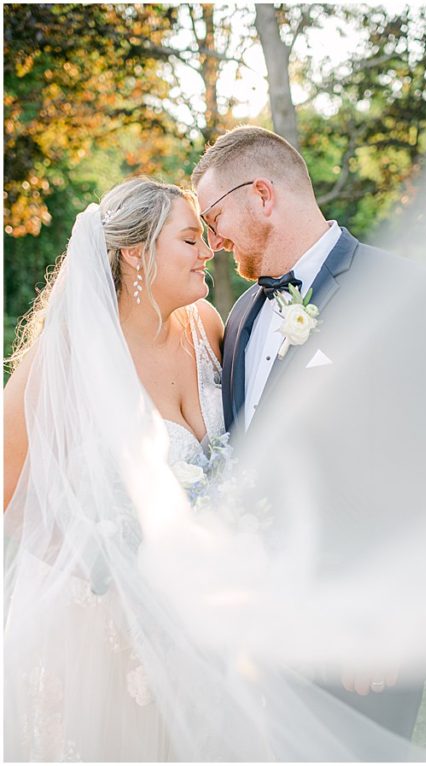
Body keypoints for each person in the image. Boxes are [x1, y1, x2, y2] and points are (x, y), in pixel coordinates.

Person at [191, 125, 426, 741]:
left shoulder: (403, 293)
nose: (214, 242)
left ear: (262, 196)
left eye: (215, 218)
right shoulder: (239, 319)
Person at [4, 178, 223, 760]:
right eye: (189, 238)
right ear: (136, 253)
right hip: (102, 636)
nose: (207, 251)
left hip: (205, 625)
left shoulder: (207, 327)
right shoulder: (66, 356)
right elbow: (10, 496)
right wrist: (116, 567)